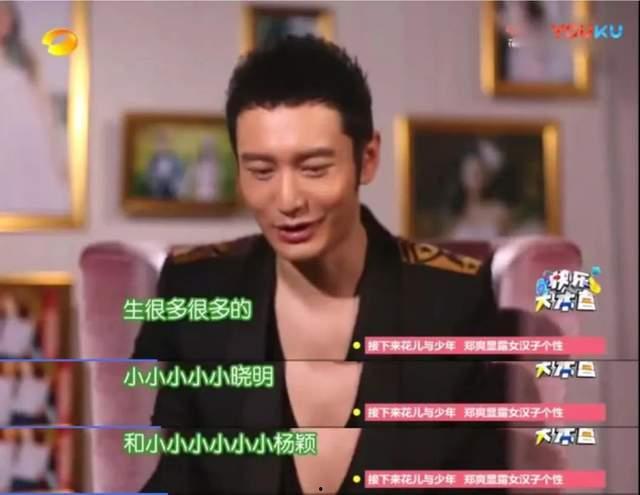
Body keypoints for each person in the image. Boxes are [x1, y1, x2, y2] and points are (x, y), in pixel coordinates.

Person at [132, 36, 552, 494]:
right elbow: (179, 476)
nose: (287, 200)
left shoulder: (450, 301)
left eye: (314, 168)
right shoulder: (196, 292)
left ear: (367, 159)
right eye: (261, 171)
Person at [0, 0, 69, 214]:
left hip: (26, 143)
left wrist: (58, 154)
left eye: (6, 16)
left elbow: (44, 109)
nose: (3, 21)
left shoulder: (26, 58)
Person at [447, 140, 511, 240]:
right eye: (469, 171)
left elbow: (509, 244)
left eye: (478, 173)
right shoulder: (456, 214)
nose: (474, 178)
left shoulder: (499, 211)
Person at [144, 129, 185, 199]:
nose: (161, 147)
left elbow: (179, 174)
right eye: (158, 144)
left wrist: (174, 185)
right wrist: (154, 183)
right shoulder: (153, 160)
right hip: (157, 191)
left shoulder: (175, 159)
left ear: (168, 145)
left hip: (171, 191)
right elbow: (149, 175)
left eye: (163, 144)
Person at [179, 136, 220, 202]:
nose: (208, 150)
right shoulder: (194, 166)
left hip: (212, 200)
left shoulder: (216, 167)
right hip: (198, 199)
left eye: (210, 148)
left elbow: (217, 187)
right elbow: (187, 185)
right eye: (206, 147)